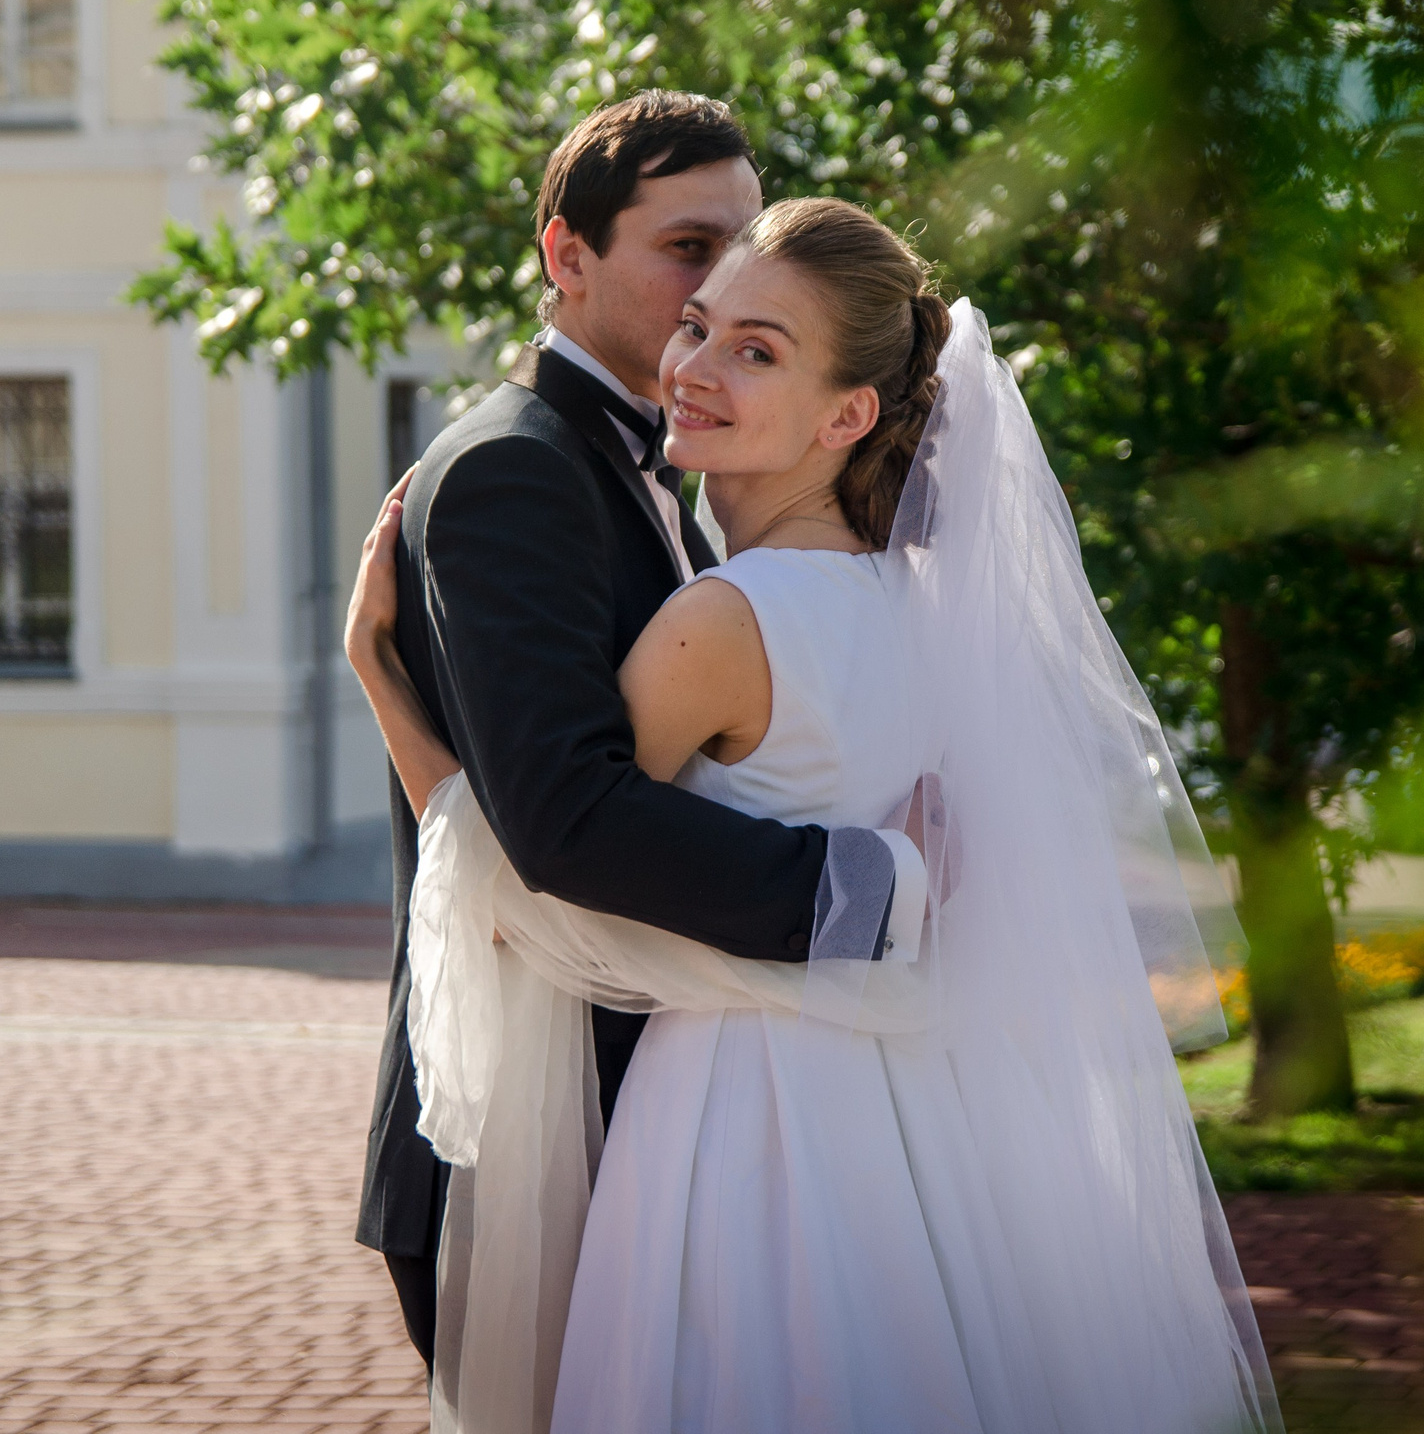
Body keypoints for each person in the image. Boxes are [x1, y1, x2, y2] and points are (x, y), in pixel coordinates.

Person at [345, 196, 1279, 1432]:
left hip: (746, 1123)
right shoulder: (926, 609)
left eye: (757, 350)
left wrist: (379, 676)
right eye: (699, 326)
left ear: (851, 415)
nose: (697, 368)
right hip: (922, 1116)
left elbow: (536, 882)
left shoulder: (720, 624)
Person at [348, 94, 924, 1371]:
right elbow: (569, 824)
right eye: (684, 250)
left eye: (733, 256)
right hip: (529, 1135)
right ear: (567, 257)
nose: (710, 289)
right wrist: (868, 883)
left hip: (682, 1113)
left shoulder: (681, 483)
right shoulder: (517, 470)